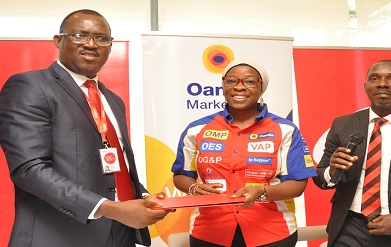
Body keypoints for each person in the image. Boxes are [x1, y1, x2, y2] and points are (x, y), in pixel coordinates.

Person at [0, 9, 169, 247]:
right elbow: (29, 169)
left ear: (110, 46)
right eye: (80, 35)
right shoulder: (30, 86)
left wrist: (141, 196)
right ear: (58, 41)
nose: (91, 44)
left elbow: (114, 167)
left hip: (121, 233)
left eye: (102, 38)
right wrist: (110, 209)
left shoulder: (112, 99)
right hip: (60, 236)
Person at [171, 59, 317, 247]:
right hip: (210, 232)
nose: (239, 87)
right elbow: (181, 175)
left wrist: (262, 192)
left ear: (261, 88)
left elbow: (297, 184)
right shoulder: (197, 129)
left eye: (249, 81)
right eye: (231, 81)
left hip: (272, 232)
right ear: (223, 85)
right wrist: (193, 188)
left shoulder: (285, 130)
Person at [313, 60, 391, 247]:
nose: (382, 83)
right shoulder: (342, 124)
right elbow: (321, 178)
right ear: (365, 87)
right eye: (374, 78)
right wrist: (331, 170)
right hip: (350, 227)